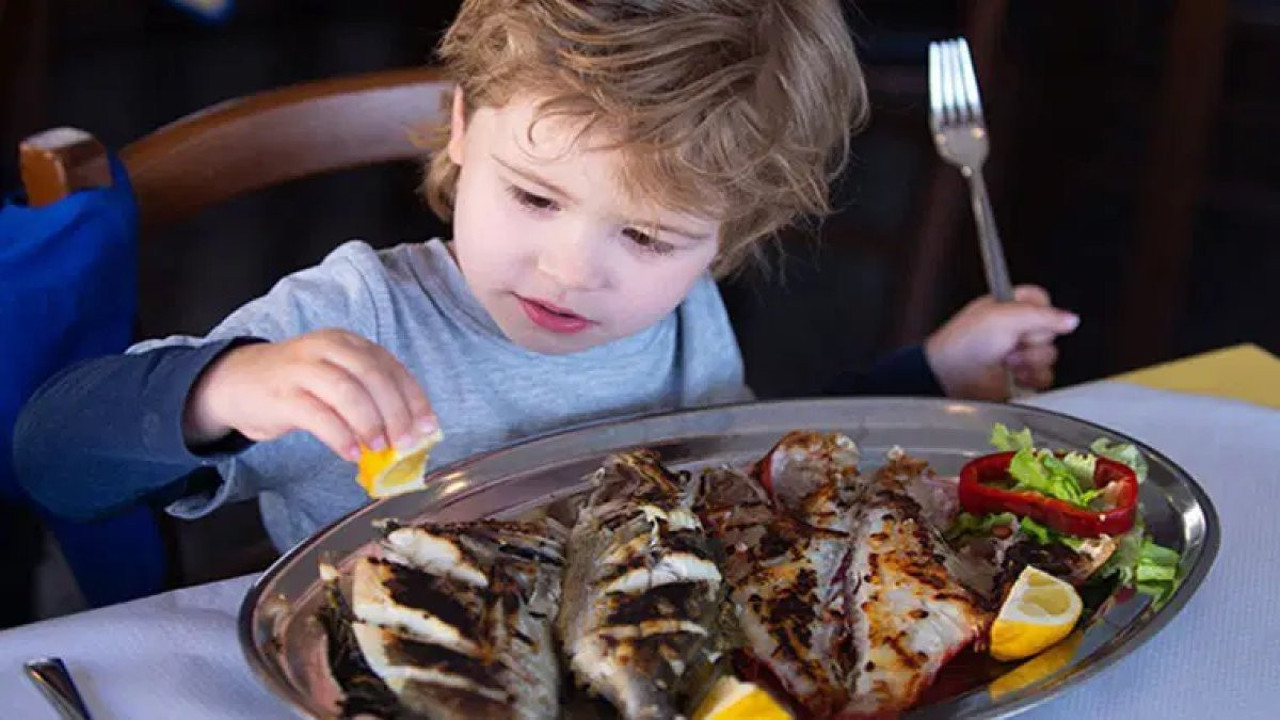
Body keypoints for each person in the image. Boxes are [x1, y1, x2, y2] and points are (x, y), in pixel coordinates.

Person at [14, 0, 1078, 553]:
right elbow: (49, 457)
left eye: (648, 238)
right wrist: (222, 389)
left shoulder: (683, 314)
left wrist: (932, 373)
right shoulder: (354, 317)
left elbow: (752, 458)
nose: (571, 272)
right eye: (533, 197)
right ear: (463, 127)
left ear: (729, 235)